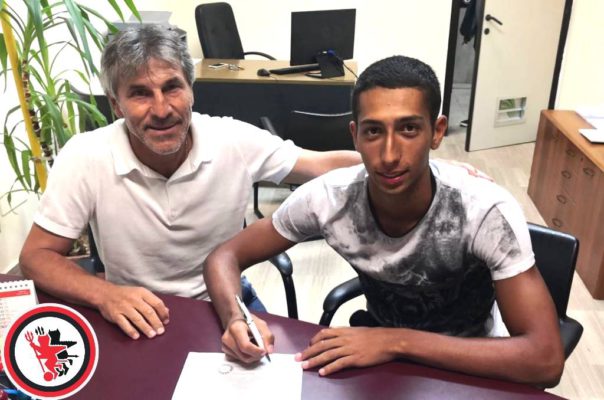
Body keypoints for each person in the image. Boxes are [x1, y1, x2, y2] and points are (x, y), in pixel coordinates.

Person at [203, 55, 565, 387]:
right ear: (355, 135)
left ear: (437, 131)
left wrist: (396, 342)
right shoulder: (328, 198)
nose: (389, 155)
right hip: (382, 364)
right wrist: (236, 317)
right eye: (373, 131)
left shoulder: (483, 210)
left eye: (409, 129)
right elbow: (225, 257)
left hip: (469, 365)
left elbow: (545, 360)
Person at [19, 25, 360, 341]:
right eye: (140, 94)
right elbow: (37, 256)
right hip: (136, 308)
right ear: (116, 105)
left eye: (172, 88)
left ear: (191, 90)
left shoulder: (231, 139)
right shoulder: (86, 155)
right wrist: (105, 293)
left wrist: (390, 161)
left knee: (273, 369)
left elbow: (321, 165)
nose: (161, 109)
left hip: (225, 298)